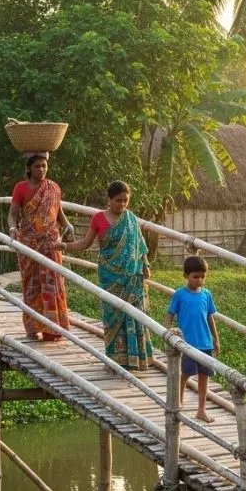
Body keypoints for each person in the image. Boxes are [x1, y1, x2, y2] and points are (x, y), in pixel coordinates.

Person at [58, 180, 153, 370]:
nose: (122, 204)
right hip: (109, 276)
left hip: (132, 277)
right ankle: (115, 359)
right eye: (118, 200)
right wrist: (65, 246)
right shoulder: (98, 219)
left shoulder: (131, 219)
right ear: (109, 199)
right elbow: (85, 243)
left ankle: (135, 359)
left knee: (133, 315)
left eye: (125, 200)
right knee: (112, 316)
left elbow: (140, 246)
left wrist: (145, 265)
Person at [7, 152, 75, 340]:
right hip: (29, 243)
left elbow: (58, 213)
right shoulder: (21, 188)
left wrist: (67, 225)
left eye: (44, 166)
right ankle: (33, 326)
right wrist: (12, 228)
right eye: (37, 166)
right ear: (29, 168)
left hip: (50, 243)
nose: (41, 169)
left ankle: (53, 328)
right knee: (32, 285)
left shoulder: (53, 187)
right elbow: (12, 214)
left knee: (52, 283)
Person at [165, 256, 220, 423]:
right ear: (186, 276)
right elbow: (170, 314)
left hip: (205, 342)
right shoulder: (180, 295)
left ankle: (201, 410)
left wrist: (216, 339)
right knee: (185, 374)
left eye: (203, 277)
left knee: (204, 375)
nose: (199, 280)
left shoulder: (207, 295)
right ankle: (178, 403)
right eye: (195, 277)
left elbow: (210, 317)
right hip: (187, 344)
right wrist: (167, 332)